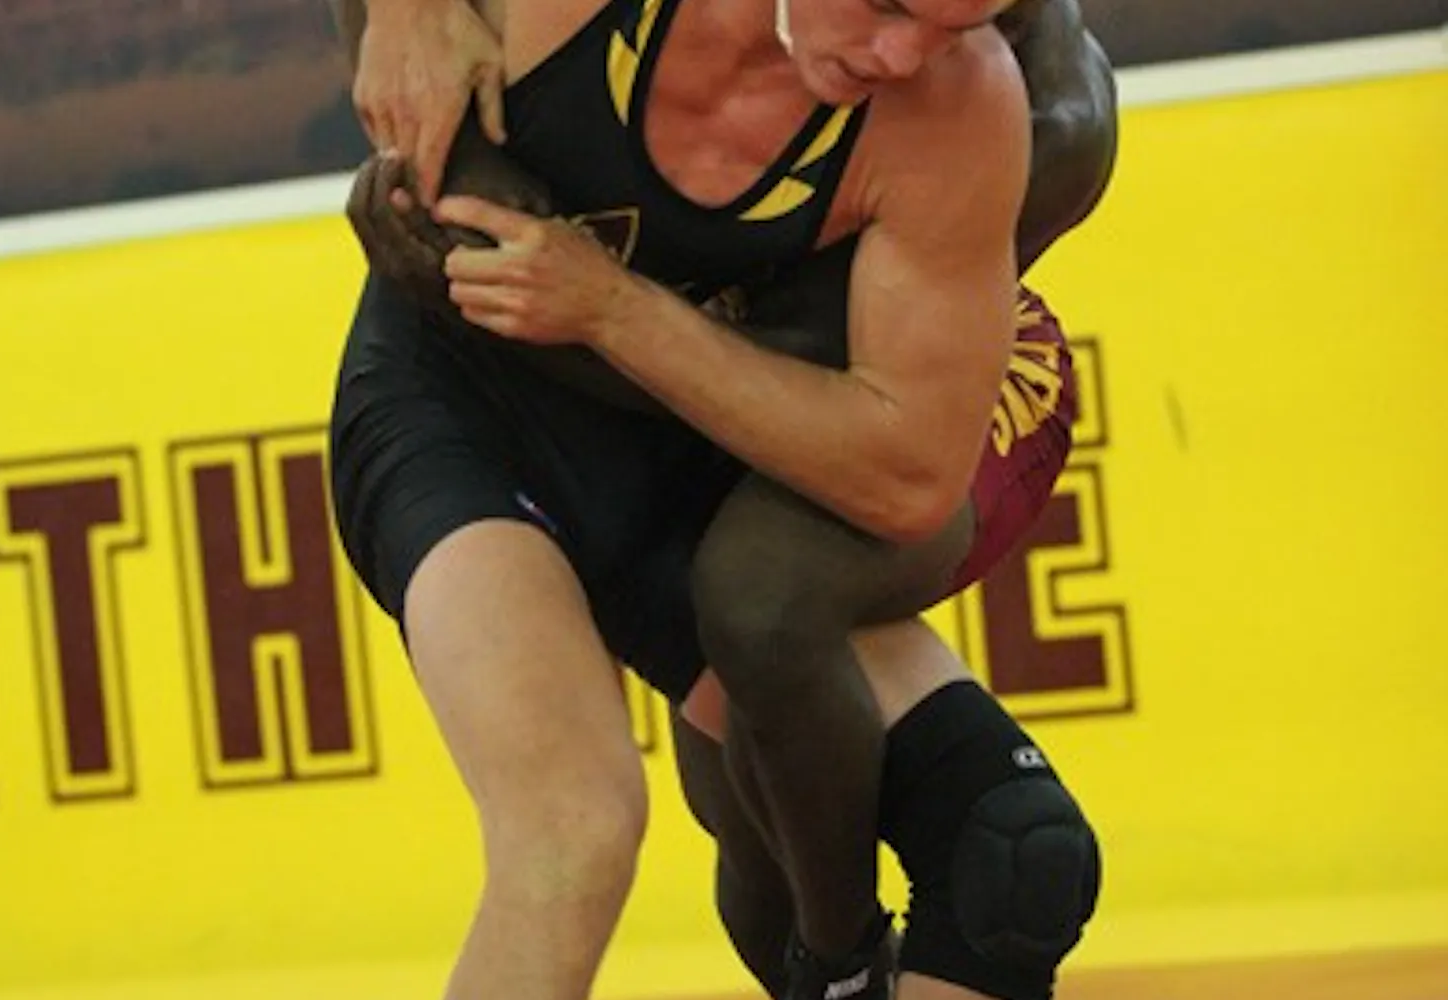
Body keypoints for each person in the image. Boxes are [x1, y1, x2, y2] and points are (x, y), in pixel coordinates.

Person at [326, 0, 1111, 997]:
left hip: (703, 420)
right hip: (473, 404)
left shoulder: (983, 108)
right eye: (887, 4)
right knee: (572, 832)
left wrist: (613, 308)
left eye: (959, 23)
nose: (904, 53)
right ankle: (825, 946)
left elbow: (909, 474)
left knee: (1005, 846)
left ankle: (824, 951)